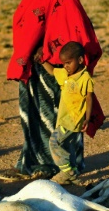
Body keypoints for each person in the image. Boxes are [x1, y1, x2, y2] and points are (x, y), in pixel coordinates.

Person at [0, 0, 103, 182]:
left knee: (61, 115)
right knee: (33, 114)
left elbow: (73, 24)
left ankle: (64, 168)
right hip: (34, 62)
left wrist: (49, 52)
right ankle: (32, 163)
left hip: (54, 64)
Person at [35, 42, 93, 184]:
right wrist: (42, 61)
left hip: (73, 119)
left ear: (80, 60)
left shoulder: (85, 78)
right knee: (66, 145)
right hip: (63, 118)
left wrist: (87, 118)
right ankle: (71, 171)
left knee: (54, 142)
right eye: (64, 63)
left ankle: (67, 172)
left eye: (68, 63)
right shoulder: (66, 74)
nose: (65, 66)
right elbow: (52, 71)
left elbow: (89, 98)